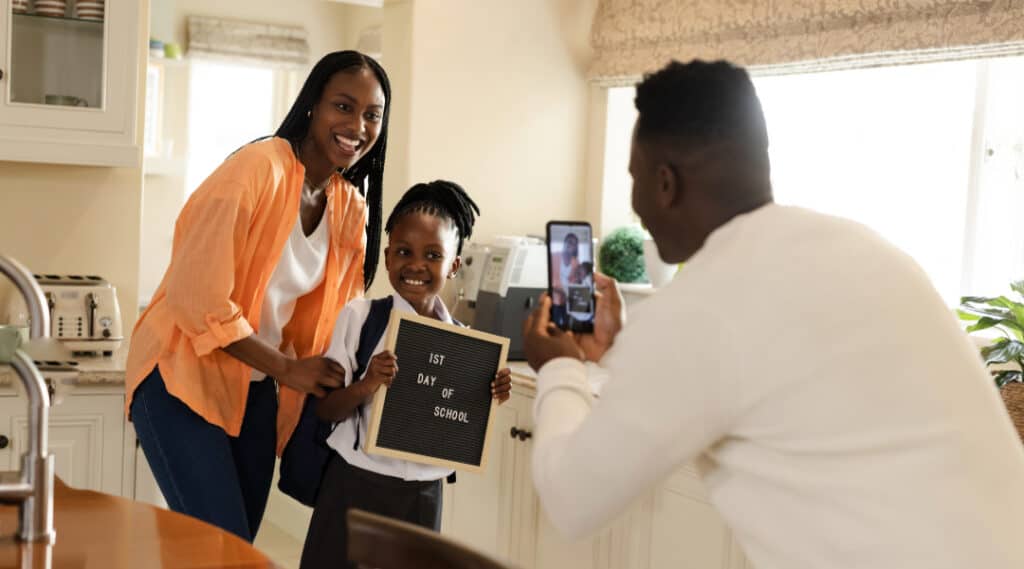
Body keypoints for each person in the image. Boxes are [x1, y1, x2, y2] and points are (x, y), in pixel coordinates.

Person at [523, 59, 1024, 569]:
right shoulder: (865, 249)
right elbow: (760, 378)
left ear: (665, 183)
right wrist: (622, 349)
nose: (636, 204)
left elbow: (571, 500)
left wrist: (559, 367)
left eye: (634, 179)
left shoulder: (703, 305)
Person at [125, 50, 391, 542]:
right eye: (344, 106)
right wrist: (288, 369)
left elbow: (340, 323)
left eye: (372, 114)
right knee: (219, 545)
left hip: (257, 389)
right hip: (180, 374)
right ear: (313, 105)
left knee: (236, 548)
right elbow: (198, 298)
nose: (358, 125)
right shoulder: (256, 169)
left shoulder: (349, 210)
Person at [300, 180, 514, 569]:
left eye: (433, 255)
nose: (416, 265)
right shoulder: (360, 319)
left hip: (422, 495)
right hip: (355, 487)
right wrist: (368, 384)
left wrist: (491, 393)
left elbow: (461, 419)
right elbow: (325, 411)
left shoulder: (467, 348)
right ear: (386, 257)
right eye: (403, 251)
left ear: (454, 265)